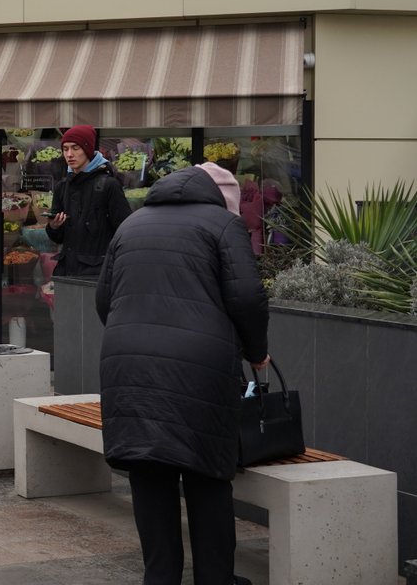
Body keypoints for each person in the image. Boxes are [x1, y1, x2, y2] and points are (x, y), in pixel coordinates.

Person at [97, 162, 269, 585]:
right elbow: (247, 297)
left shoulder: (132, 224)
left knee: (149, 471)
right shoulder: (223, 225)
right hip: (200, 367)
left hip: (129, 364)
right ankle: (215, 578)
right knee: (206, 475)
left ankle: (160, 577)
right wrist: (257, 352)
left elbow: (104, 299)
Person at [46, 125, 132, 276]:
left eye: (75, 148)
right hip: (67, 273)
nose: (69, 154)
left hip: (97, 275)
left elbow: (125, 232)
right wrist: (54, 227)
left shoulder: (109, 185)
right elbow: (58, 238)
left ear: (88, 149)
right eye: (65, 149)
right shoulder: (62, 187)